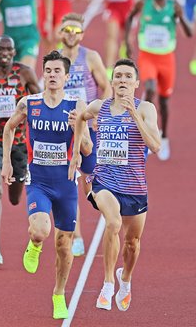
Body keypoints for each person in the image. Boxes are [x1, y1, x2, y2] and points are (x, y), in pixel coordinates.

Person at [1, 50, 92, 320]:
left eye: (57, 72)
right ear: (43, 74)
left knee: (64, 246)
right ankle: (35, 244)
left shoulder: (77, 106)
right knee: (40, 231)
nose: (52, 76)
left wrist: (80, 127)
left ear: (66, 76)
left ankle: (59, 293)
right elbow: (9, 128)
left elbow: (87, 150)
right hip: (38, 182)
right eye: (48, 71)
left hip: (65, 185)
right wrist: (7, 162)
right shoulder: (29, 104)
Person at [69, 58, 161, 312]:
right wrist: (77, 151)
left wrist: (135, 116)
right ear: (111, 81)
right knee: (113, 223)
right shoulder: (100, 106)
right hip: (104, 181)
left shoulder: (146, 109)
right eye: (118, 76)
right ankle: (108, 283)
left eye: (127, 77)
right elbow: (80, 118)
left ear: (136, 83)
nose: (122, 80)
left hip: (134, 187)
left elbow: (155, 146)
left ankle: (125, 279)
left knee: (132, 243)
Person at [0, 35, 41, 267]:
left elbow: (40, 99)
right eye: (0, 49)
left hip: (20, 142)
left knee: (14, 196)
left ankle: (17, 185)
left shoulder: (24, 74)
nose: (4, 53)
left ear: (14, 52)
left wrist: (25, 112)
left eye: (9, 50)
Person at [59, 13, 112, 257]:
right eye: (68, 29)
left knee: (90, 183)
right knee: (69, 182)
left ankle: (110, 217)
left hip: (89, 129)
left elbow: (107, 85)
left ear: (82, 34)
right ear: (61, 32)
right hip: (63, 129)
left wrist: (100, 113)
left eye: (77, 30)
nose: (72, 34)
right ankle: (77, 235)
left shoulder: (90, 57)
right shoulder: (55, 60)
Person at [124, 0, 192, 161]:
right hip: (147, 56)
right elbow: (129, 18)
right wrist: (128, 42)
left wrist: (181, 18)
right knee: (150, 88)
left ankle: (164, 135)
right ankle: (146, 128)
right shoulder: (143, 4)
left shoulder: (173, 7)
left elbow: (190, 33)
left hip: (167, 59)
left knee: (164, 101)